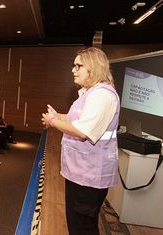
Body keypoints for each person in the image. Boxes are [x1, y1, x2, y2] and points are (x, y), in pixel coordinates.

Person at [41, 47, 120, 235]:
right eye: (73, 65)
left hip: (89, 175)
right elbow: (77, 119)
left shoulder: (102, 95)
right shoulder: (89, 93)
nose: (73, 70)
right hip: (80, 172)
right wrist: (59, 116)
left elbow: (83, 131)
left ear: (93, 67)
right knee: (77, 225)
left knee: (82, 228)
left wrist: (53, 121)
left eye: (79, 65)